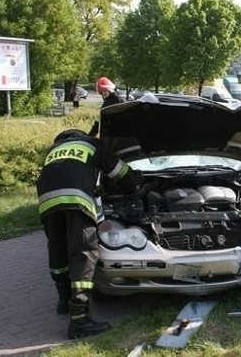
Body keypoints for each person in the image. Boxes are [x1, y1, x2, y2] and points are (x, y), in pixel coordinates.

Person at [37, 128, 142, 339]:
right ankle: (80, 321)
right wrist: (135, 186)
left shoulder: (54, 150)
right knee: (83, 252)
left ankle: (63, 301)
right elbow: (121, 173)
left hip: (47, 200)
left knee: (57, 250)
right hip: (76, 199)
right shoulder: (91, 146)